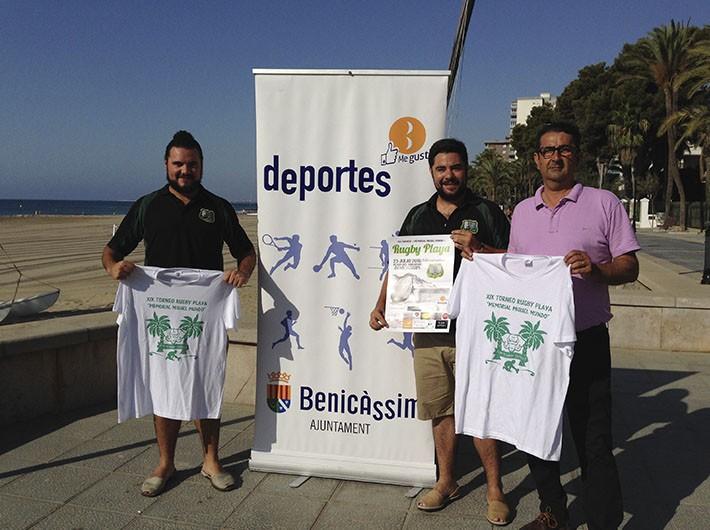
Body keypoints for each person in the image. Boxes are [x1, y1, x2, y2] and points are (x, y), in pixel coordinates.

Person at [102, 130, 256, 497]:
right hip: (161, 316)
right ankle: (165, 463)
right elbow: (111, 250)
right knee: (164, 385)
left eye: (192, 164)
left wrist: (243, 272)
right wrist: (114, 268)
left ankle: (211, 461)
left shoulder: (218, 208)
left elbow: (246, 252)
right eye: (178, 164)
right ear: (166, 165)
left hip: (205, 315)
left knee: (207, 382)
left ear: (202, 166)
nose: (185, 170)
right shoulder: (147, 206)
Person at [369, 138, 512, 525]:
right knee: (440, 409)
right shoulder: (418, 215)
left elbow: (514, 261)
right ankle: (446, 481)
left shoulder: (487, 212)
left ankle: (495, 490)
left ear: (466, 169)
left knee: (481, 409)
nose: (449, 175)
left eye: (456, 167)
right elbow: (399, 265)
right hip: (428, 331)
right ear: (432, 171)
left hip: (476, 328)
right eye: (441, 169)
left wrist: (480, 248)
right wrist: (381, 304)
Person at [508, 122, 639, 530]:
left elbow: (630, 266)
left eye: (564, 149)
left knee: (593, 439)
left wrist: (597, 270)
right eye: (548, 150)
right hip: (535, 344)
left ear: (577, 155)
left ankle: (603, 521)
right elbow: (515, 270)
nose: (556, 157)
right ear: (536, 159)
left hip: (586, 341)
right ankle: (553, 512)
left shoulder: (604, 203)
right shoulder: (521, 212)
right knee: (536, 433)